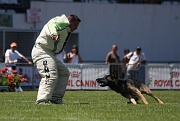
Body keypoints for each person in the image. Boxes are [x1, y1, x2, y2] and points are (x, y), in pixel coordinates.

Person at [31, 14, 81, 105]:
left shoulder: (65, 27)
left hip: (49, 53)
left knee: (64, 72)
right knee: (49, 74)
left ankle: (56, 98)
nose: (76, 28)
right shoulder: (63, 22)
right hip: (41, 51)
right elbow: (51, 25)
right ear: (70, 21)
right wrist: (53, 34)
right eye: (76, 25)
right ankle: (42, 101)